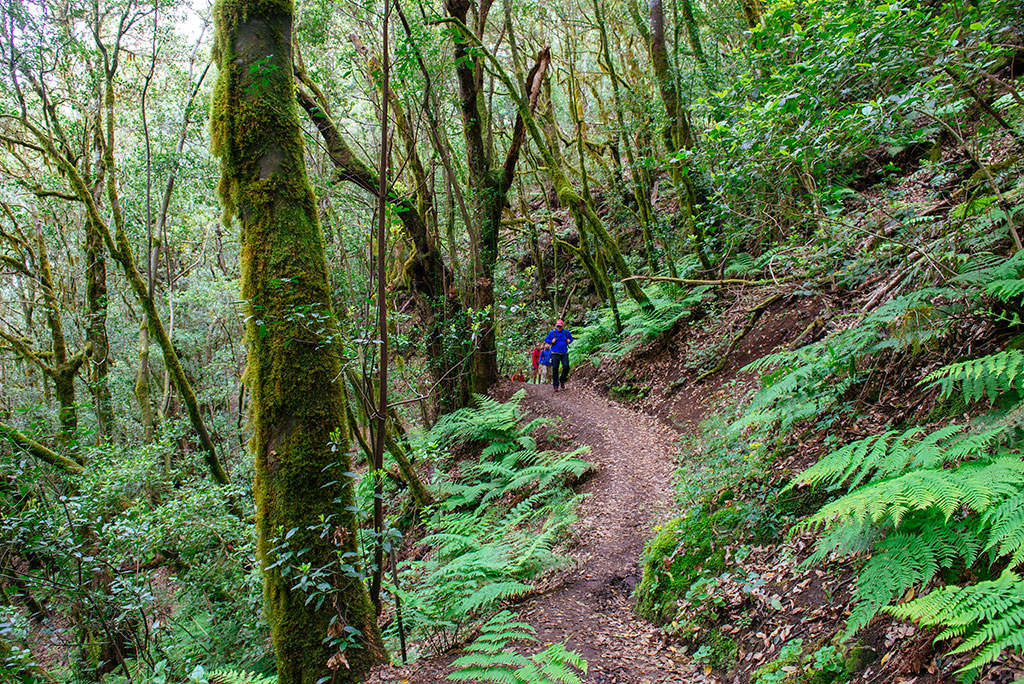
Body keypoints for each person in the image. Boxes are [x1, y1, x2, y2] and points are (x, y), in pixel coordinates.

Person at [544, 319, 573, 392]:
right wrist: (551, 341)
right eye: (558, 326)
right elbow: (546, 339)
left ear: (562, 326)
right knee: (555, 369)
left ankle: (562, 381)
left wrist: (569, 341)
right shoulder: (552, 333)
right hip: (555, 353)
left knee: (566, 367)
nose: (559, 327)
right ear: (556, 326)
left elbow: (571, 338)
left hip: (564, 353)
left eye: (560, 326)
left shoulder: (566, 332)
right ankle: (555, 386)